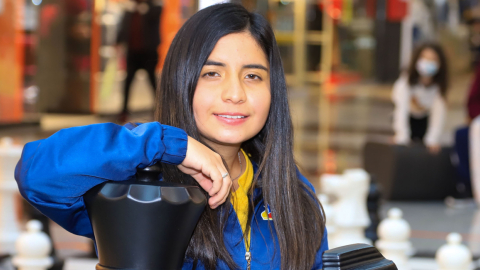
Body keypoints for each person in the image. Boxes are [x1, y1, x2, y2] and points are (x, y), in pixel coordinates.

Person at [15, 4, 328, 270]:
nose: (235, 93)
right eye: (212, 73)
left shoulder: (292, 194)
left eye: (252, 76)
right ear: (183, 80)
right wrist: (168, 145)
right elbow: (38, 173)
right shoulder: (141, 186)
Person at [392, 42, 449, 154]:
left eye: (433, 59)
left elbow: (438, 113)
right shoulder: (405, 82)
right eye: (425, 58)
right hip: (408, 119)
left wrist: (432, 139)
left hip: (424, 121)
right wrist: (401, 136)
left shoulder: (439, 86)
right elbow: (401, 110)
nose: (428, 62)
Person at [116, 0, 162, 122]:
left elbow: (155, 16)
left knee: (153, 82)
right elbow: (123, 25)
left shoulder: (153, 7)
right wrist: (118, 41)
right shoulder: (130, 8)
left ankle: (159, 110)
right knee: (128, 82)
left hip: (148, 52)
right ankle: (124, 111)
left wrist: (144, 8)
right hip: (132, 52)